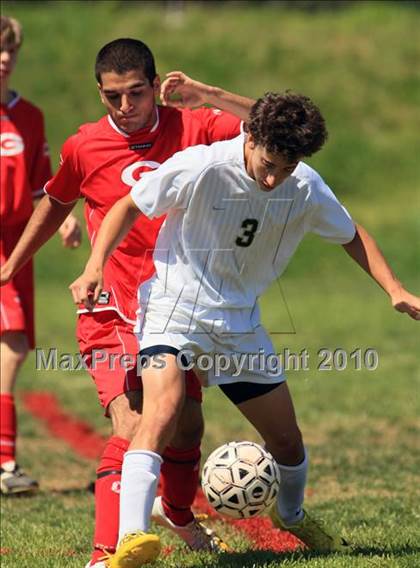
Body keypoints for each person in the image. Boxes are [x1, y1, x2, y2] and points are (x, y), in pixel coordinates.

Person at [72, 90, 420, 566]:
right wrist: (94, 267)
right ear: (250, 136)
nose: (275, 178)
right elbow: (127, 206)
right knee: (163, 409)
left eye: (289, 166)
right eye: (270, 163)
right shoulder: (203, 165)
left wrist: (394, 289)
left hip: (238, 324)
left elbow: (351, 233)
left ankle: (292, 515)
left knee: (286, 441)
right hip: (174, 307)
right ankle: (132, 537)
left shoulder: (304, 186)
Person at [0, 37, 254, 566]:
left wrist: (207, 93)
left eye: (136, 93)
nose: (125, 106)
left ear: (156, 87)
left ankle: (178, 515)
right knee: (134, 422)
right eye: (113, 96)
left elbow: (271, 125)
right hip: (110, 307)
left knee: (186, 424)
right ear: (100, 93)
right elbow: (54, 203)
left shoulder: (194, 127)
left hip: (177, 308)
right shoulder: (85, 146)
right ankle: (103, 556)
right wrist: (12, 266)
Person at [0, 16, 81, 496]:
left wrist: (63, 216)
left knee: (16, 345)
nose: (5, 57)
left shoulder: (29, 116)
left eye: (11, 49)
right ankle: (6, 463)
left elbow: (39, 188)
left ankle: (6, 462)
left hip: (16, 247)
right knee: (10, 346)